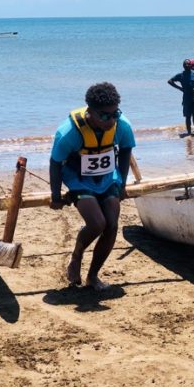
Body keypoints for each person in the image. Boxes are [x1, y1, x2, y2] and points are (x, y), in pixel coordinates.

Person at [49, 82, 135, 290]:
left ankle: (93, 276)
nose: (111, 120)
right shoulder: (69, 132)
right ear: (90, 112)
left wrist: (122, 183)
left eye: (115, 113)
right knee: (97, 223)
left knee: (112, 225)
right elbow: (55, 163)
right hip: (78, 179)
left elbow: (125, 151)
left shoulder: (121, 125)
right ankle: (77, 256)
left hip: (107, 178)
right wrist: (56, 195)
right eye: (105, 115)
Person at [168, 58, 194, 137]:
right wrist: (180, 88)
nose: (186, 65)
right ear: (183, 66)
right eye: (185, 64)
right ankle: (189, 132)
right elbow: (170, 81)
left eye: (188, 64)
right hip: (186, 98)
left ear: (191, 65)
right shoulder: (180, 75)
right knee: (187, 116)